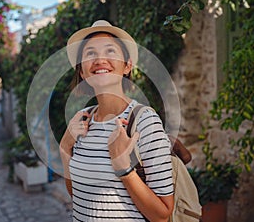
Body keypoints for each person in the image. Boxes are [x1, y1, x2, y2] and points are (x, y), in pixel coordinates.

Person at [60, 20, 174, 222]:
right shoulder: (83, 120)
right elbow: (77, 195)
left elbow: (162, 215)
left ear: (127, 66)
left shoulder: (145, 122)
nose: (100, 59)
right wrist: (65, 148)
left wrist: (124, 168)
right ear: (81, 71)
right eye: (90, 53)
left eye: (110, 51)